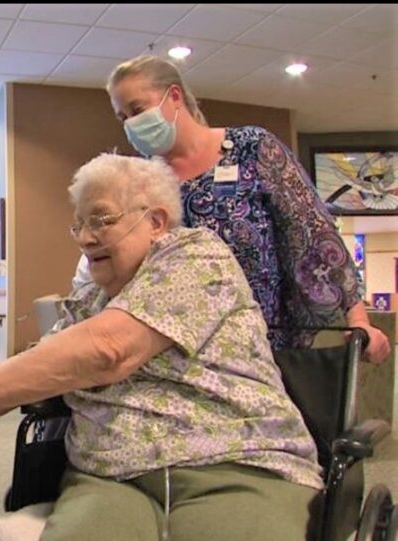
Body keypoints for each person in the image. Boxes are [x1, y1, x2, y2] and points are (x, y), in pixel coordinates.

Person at [0, 154, 325, 541]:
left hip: (234, 468)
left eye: (102, 219)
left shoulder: (196, 257)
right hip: (111, 477)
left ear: (155, 221)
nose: (86, 237)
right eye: (81, 223)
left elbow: (110, 349)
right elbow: (38, 375)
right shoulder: (91, 292)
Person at [73, 55, 390, 361]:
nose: (131, 124)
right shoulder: (143, 179)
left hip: (265, 346)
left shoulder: (252, 149)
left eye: (137, 110)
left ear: (173, 97)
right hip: (182, 351)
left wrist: (358, 318)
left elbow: (312, 232)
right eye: (123, 118)